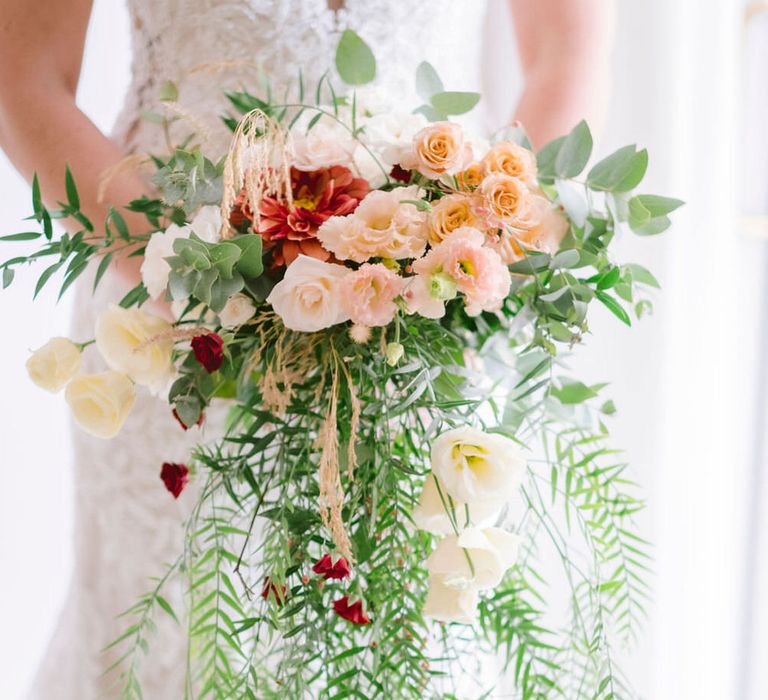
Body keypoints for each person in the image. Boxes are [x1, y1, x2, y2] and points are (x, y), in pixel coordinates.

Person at [0, 1, 614, 697]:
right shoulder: (182, 285)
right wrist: (194, 277)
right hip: (174, 307)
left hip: (434, 301)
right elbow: (27, 78)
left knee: (413, 616)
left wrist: (490, 239)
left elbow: (568, 52)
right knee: (178, 612)